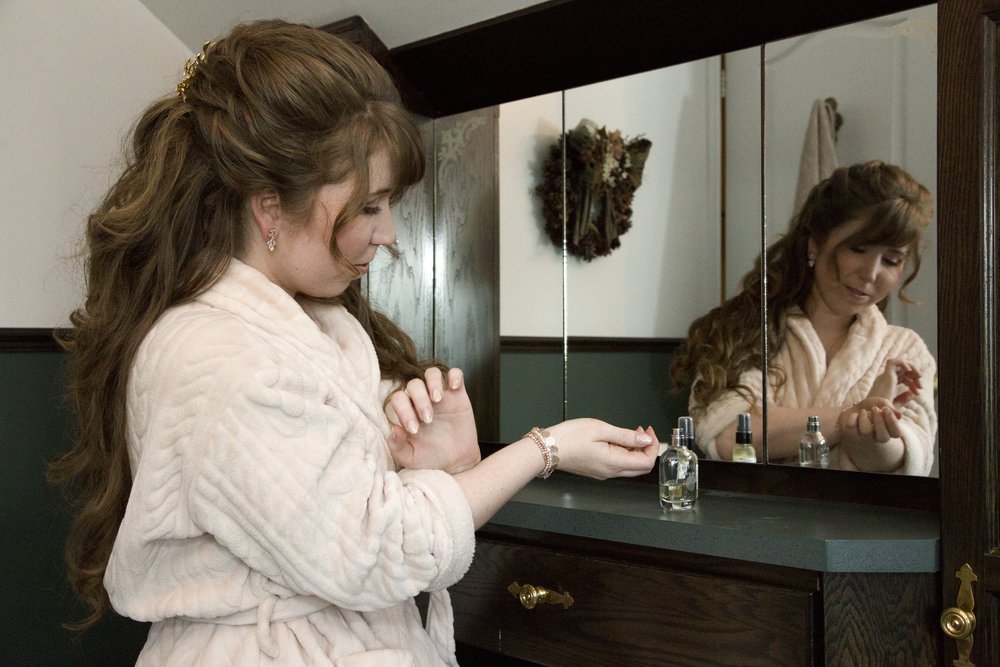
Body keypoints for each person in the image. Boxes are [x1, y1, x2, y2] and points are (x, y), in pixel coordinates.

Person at [47, 20, 658, 666]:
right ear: (269, 207)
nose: (388, 232)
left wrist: (444, 462)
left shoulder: (318, 331)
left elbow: (357, 511)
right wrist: (547, 448)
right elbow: (379, 547)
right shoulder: (221, 360)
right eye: (370, 206)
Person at [670, 160, 936, 475]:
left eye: (891, 260)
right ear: (815, 245)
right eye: (858, 249)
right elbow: (730, 436)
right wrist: (848, 415)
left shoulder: (904, 349)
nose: (871, 273)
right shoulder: (748, 329)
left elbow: (910, 460)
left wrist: (870, 427)